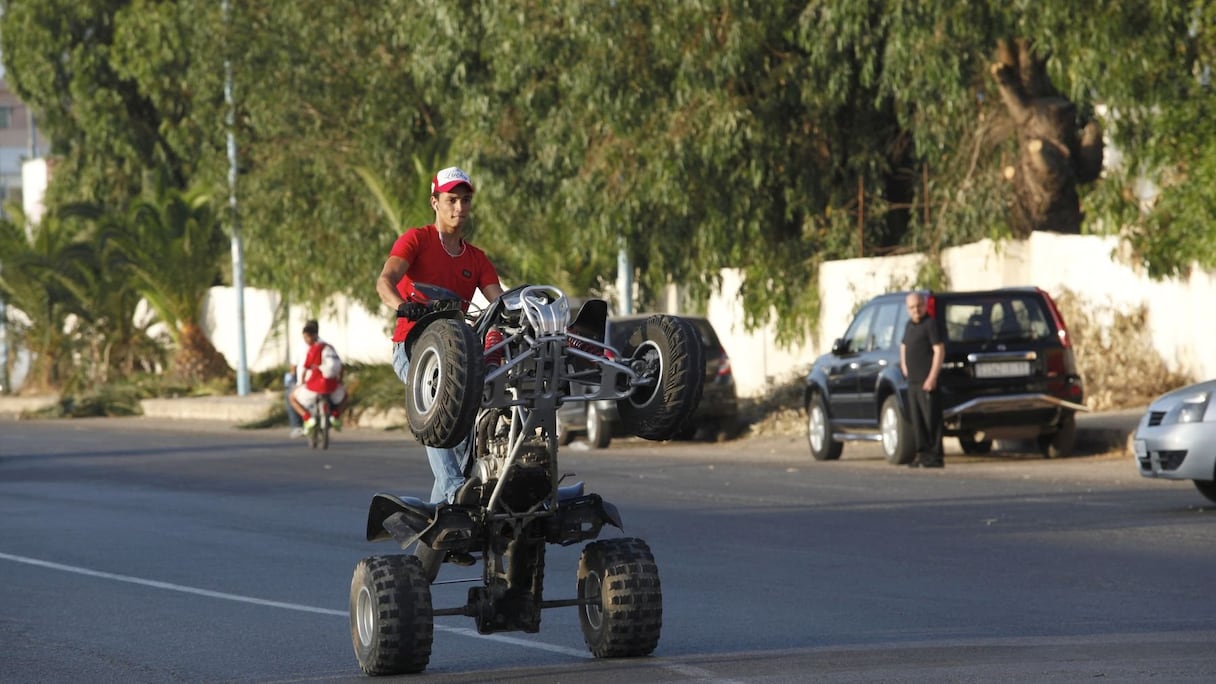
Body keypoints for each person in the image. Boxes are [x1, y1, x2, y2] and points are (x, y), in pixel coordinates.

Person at [375, 166, 504, 505]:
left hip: (459, 353)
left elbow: (501, 304)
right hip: (414, 348)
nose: (458, 207)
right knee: (436, 402)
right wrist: (403, 306)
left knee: (464, 438)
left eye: (465, 200)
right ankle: (453, 491)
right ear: (435, 202)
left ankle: (441, 521)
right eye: (451, 200)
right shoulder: (417, 239)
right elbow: (385, 281)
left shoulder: (476, 259)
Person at [900, 291, 945, 468]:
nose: (916, 310)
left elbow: (939, 350)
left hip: (927, 382)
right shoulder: (909, 326)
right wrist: (904, 366)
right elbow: (903, 346)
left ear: (924, 305)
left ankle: (935, 456)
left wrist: (932, 377)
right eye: (912, 307)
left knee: (931, 420)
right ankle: (922, 454)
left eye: (918, 306)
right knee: (917, 421)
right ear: (907, 308)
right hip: (913, 382)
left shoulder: (930, 325)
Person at [288, 319, 348, 433]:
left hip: (314, 387)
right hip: (332, 386)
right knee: (345, 396)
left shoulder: (313, 349)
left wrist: (300, 383)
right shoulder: (329, 347)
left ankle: (307, 418)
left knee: (292, 397)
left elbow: (305, 368)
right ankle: (335, 416)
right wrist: (340, 381)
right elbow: (340, 366)